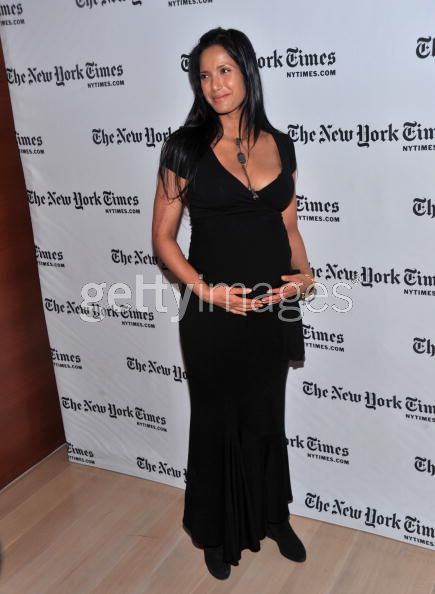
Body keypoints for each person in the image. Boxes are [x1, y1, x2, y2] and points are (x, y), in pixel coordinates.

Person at [152, 27, 316, 580]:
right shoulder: (184, 149)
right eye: (204, 75)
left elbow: (289, 229)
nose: (215, 83)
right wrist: (206, 291)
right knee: (217, 420)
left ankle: (273, 516)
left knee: (267, 414)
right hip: (212, 314)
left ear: (246, 71)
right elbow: (163, 239)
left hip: (273, 310)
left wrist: (305, 274)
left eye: (224, 70)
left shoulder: (281, 144)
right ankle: (218, 533)